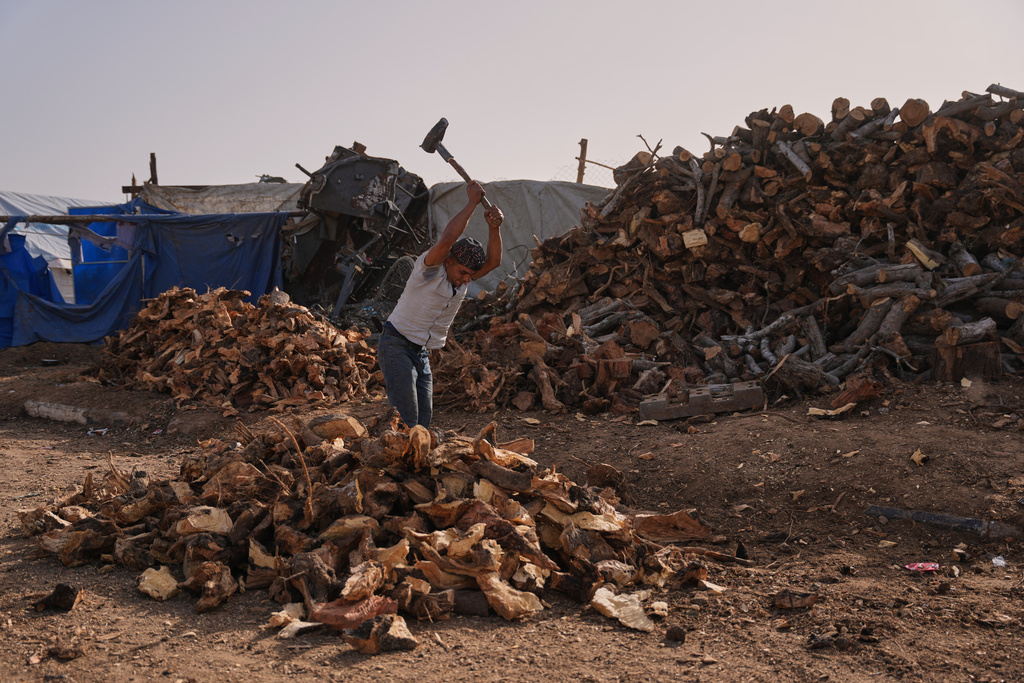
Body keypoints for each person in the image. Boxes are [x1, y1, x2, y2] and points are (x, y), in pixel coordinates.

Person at [377, 180, 503, 427]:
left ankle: (416, 460)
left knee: (424, 422)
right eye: (463, 272)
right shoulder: (429, 269)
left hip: (421, 352)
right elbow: (447, 238)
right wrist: (471, 204)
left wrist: (494, 227)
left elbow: (495, 261)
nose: (467, 279)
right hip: (396, 345)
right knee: (406, 420)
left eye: (470, 275)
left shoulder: (462, 278)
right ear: (449, 261)